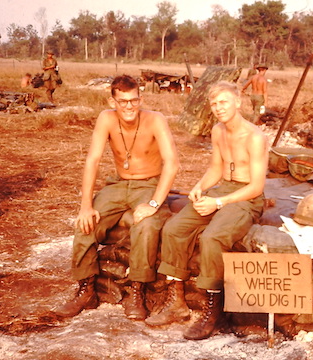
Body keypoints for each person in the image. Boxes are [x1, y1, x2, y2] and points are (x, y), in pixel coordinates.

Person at [145, 81, 268, 340]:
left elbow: (257, 186)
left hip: (246, 197)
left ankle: (214, 311)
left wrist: (219, 203)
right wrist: (199, 187)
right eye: (214, 104)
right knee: (174, 228)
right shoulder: (218, 131)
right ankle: (176, 301)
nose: (218, 108)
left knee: (212, 237)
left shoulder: (255, 136)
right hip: (222, 189)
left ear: (237, 102)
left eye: (223, 102)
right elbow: (216, 168)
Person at [54, 75, 179, 321]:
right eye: (122, 102)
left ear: (140, 99)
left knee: (145, 225)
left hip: (148, 184)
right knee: (86, 224)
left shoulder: (155, 120)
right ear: (113, 101)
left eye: (133, 101)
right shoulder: (106, 119)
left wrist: (154, 203)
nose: (129, 107)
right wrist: (86, 206)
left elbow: (172, 164)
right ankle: (86, 288)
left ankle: (137, 289)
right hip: (118, 184)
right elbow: (93, 160)